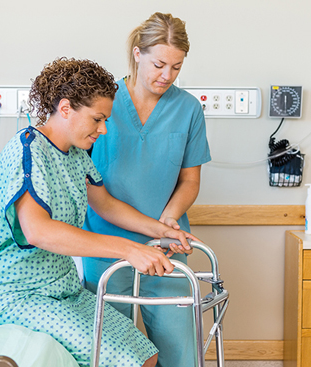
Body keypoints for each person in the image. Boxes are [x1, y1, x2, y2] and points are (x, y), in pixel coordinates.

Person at [0, 57, 198, 367]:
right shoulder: (27, 150)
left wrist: (163, 231)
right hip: (14, 293)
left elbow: (104, 204)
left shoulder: (76, 155)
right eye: (97, 119)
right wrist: (128, 249)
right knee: (123, 360)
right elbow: (38, 230)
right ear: (65, 109)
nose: (103, 130)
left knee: (147, 354)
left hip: (63, 290)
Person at [83, 13, 211, 367]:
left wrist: (169, 220)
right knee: (111, 352)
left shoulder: (187, 109)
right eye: (158, 64)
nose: (166, 76)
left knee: (181, 348)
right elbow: (91, 188)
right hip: (105, 245)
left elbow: (189, 180)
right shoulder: (102, 104)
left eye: (176, 67)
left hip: (167, 247)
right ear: (137, 54)